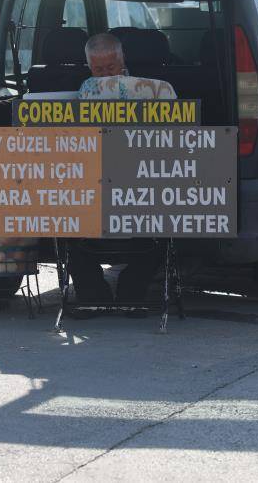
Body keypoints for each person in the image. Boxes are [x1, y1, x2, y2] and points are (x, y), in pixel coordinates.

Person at [70, 33, 176, 308]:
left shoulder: (154, 91)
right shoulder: (160, 90)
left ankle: (119, 290)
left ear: (123, 60)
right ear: (88, 67)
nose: (105, 76)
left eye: (110, 69)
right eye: (98, 70)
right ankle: (110, 292)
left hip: (137, 181)